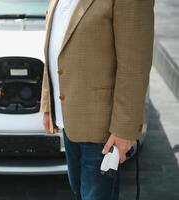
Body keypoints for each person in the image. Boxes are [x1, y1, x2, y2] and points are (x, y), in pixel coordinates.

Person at [40, 0, 155, 199]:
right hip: (70, 119)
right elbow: (57, 45)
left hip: (103, 130)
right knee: (80, 192)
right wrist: (48, 103)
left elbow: (135, 66)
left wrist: (125, 129)